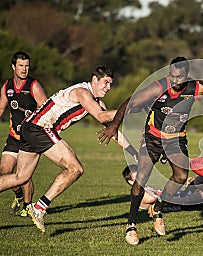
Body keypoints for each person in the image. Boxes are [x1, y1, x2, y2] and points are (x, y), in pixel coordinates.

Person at [97, 56, 203, 245]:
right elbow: (130, 101)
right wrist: (113, 125)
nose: (175, 80)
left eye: (179, 77)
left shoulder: (196, 88)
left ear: (187, 75)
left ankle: (158, 208)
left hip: (176, 140)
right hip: (153, 137)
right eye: (173, 76)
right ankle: (131, 226)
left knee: (181, 176)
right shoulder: (160, 86)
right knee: (141, 178)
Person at [0, 65, 117, 232]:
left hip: (29, 127)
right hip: (39, 128)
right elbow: (101, 116)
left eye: (110, 84)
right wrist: (129, 108)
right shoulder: (83, 92)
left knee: (21, 177)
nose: (108, 88)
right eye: (105, 83)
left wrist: (134, 152)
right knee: (75, 168)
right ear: (94, 80)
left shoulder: (96, 102)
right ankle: (39, 208)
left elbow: (111, 129)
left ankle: (38, 208)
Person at [0, 51, 48, 217]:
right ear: (13, 67)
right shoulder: (7, 86)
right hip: (14, 136)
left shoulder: (34, 85)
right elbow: (1, 108)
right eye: (21, 65)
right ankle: (19, 197)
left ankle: (28, 206)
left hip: (30, 139)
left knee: (24, 176)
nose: (24, 69)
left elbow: (46, 109)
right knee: (5, 169)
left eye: (27, 65)